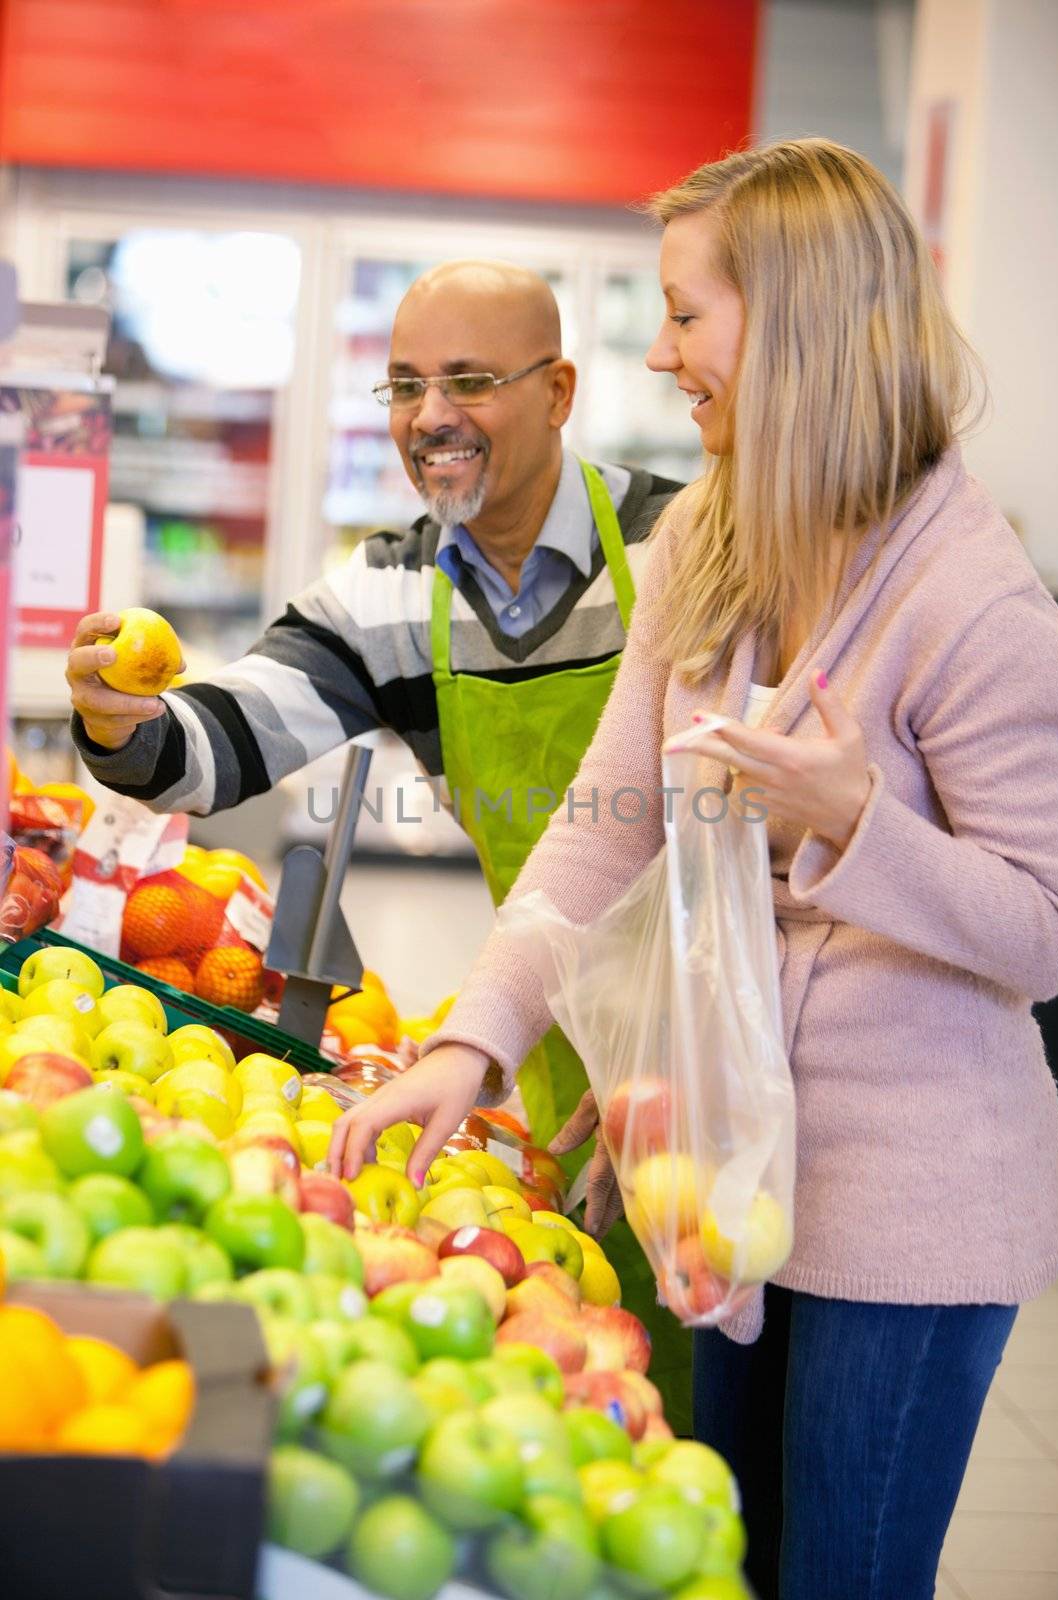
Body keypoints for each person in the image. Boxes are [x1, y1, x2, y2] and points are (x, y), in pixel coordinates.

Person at [325, 140, 1058, 1599]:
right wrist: (473, 1040)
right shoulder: (707, 546)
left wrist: (856, 821)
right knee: (713, 1559)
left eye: (684, 314)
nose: (658, 355)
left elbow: (1039, 932)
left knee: (839, 1577)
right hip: (719, 1176)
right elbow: (605, 827)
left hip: (910, 1205)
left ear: (791, 318)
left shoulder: (973, 602)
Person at [65, 258, 693, 1421]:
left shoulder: (681, 549)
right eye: (404, 385)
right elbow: (223, 741)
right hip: (543, 1039)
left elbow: (746, 827)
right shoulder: (392, 592)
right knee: (594, 1378)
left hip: (722, 1037)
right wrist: (120, 713)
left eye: (468, 381)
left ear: (557, 391)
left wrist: (669, 1044)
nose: (429, 418)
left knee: (730, 1401)